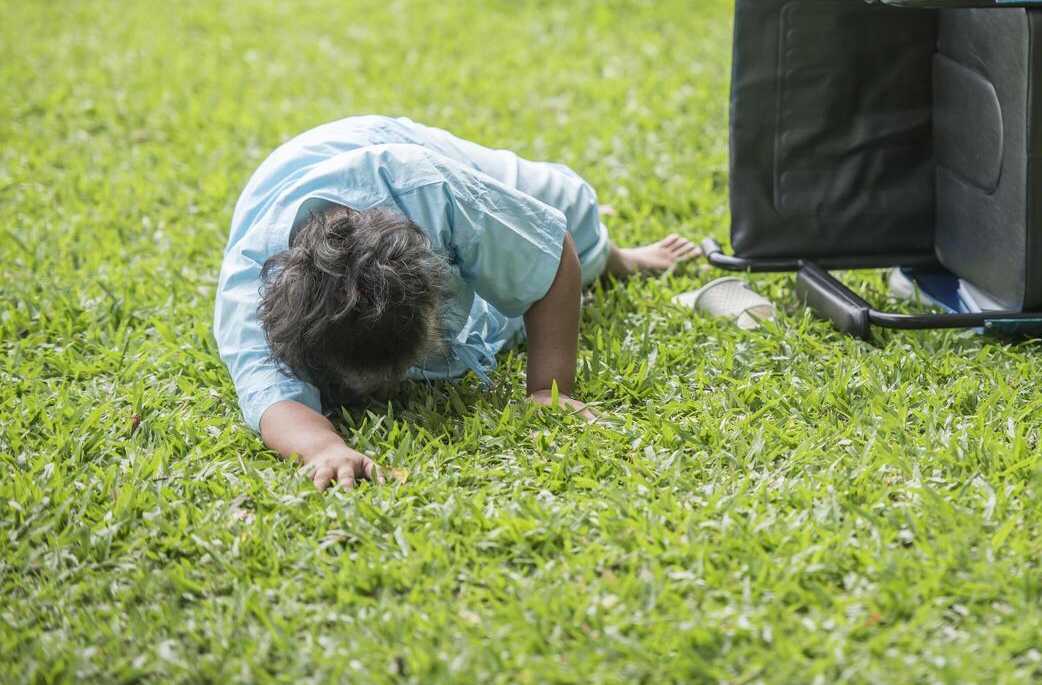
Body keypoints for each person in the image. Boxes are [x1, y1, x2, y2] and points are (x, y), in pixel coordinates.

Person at [214, 116, 700, 490]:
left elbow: (553, 250)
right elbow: (269, 393)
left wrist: (547, 389)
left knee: (570, 208)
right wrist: (323, 447)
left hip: (396, 150)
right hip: (296, 169)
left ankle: (616, 257)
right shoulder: (249, 295)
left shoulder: (432, 187)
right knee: (502, 311)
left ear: (433, 275)